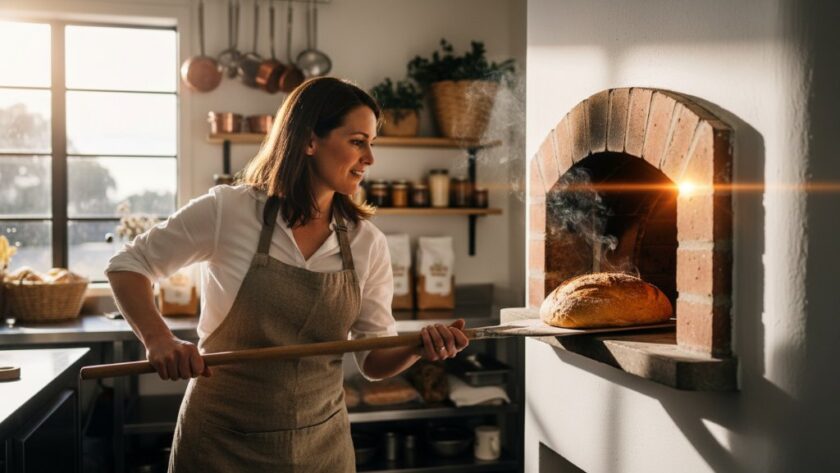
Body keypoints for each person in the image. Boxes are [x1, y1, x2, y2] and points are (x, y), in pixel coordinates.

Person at [105, 77, 469, 472]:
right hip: (220, 443)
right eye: (357, 141)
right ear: (310, 141)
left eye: (372, 143)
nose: (370, 158)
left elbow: (373, 359)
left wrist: (420, 346)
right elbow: (128, 265)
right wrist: (158, 339)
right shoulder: (229, 210)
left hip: (321, 446)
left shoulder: (367, 242)